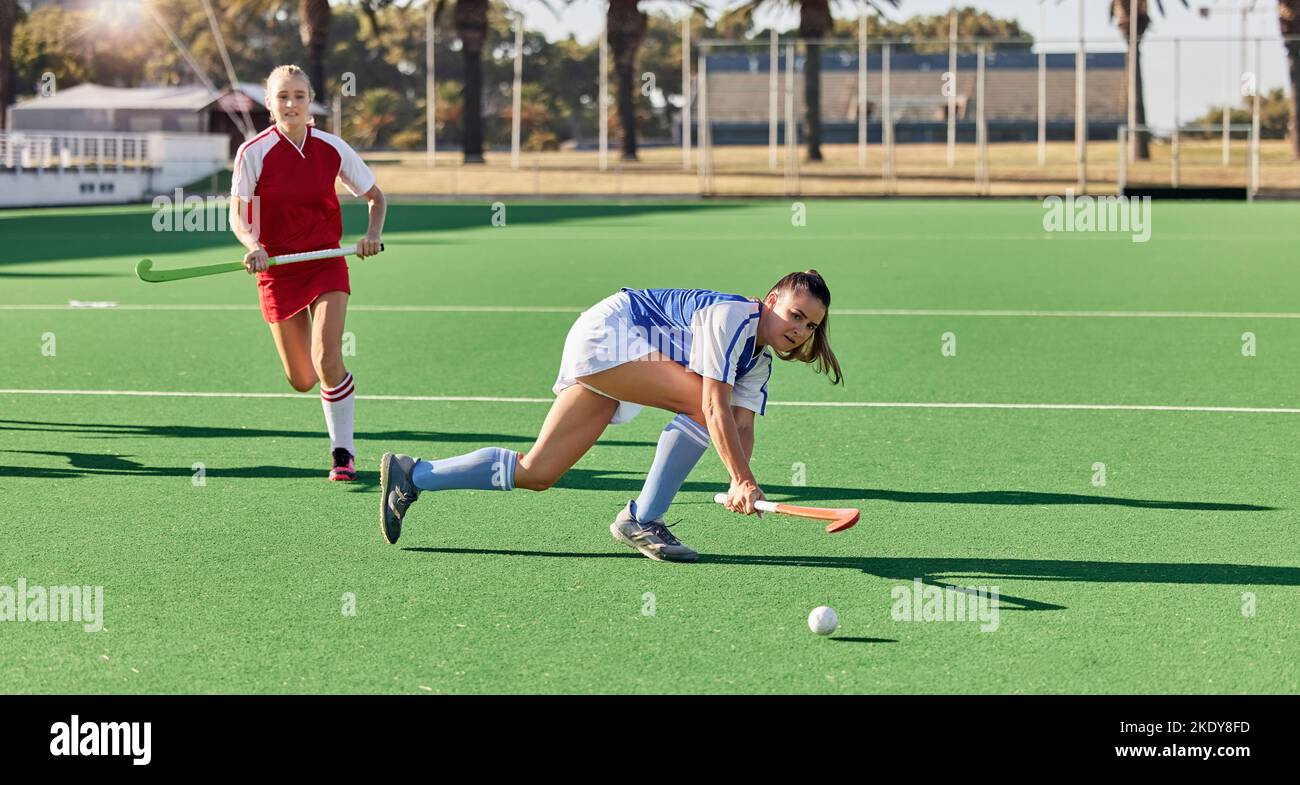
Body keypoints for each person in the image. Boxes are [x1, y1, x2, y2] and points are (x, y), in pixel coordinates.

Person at [379, 270, 843, 562]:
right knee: (700, 405)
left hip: (625, 358)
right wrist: (739, 479)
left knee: (538, 471)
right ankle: (643, 518)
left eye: (809, 326)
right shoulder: (733, 317)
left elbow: (741, 426)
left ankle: (414, 475)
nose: (798, 330)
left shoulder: (757, 362)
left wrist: (741, 478)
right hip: (611, 333)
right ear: (769, 300)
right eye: (794, 314)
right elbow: (711, 406)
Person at [228, 65, 386, 481]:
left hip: (325, 262)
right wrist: (254, 246)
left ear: (309, 100)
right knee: (302, 378)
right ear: (269, 103)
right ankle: (333, 388)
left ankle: (343, 453)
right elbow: (240, 216)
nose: (291, 103)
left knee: (326, 357)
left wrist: (372, 234)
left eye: (299, 95)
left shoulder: (332, 147)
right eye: (283, 96)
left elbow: (375, 197)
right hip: (278, 270)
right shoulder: (254, 152)